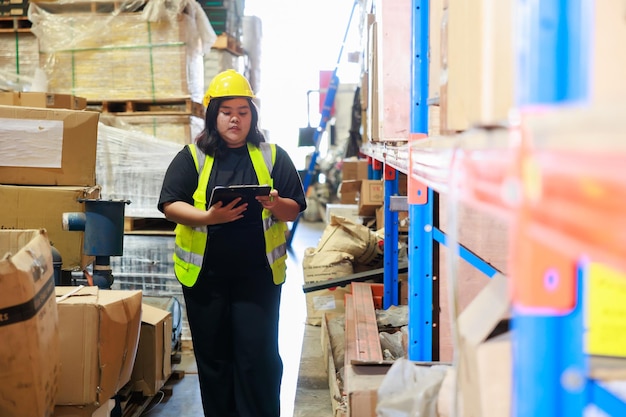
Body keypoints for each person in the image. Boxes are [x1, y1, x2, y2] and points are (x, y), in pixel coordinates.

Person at [158, 69, 307, 417]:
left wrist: (274, 203)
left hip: (257, 278)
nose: (235, 119)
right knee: (215, 358)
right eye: (227, 112)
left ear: (252, 115)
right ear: (214, 115)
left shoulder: (272, 156)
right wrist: (209, 218)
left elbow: (295, 207)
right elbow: (170, 203)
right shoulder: (193, 157)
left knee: (259, 358)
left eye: (243, 111)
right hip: (205, 279)